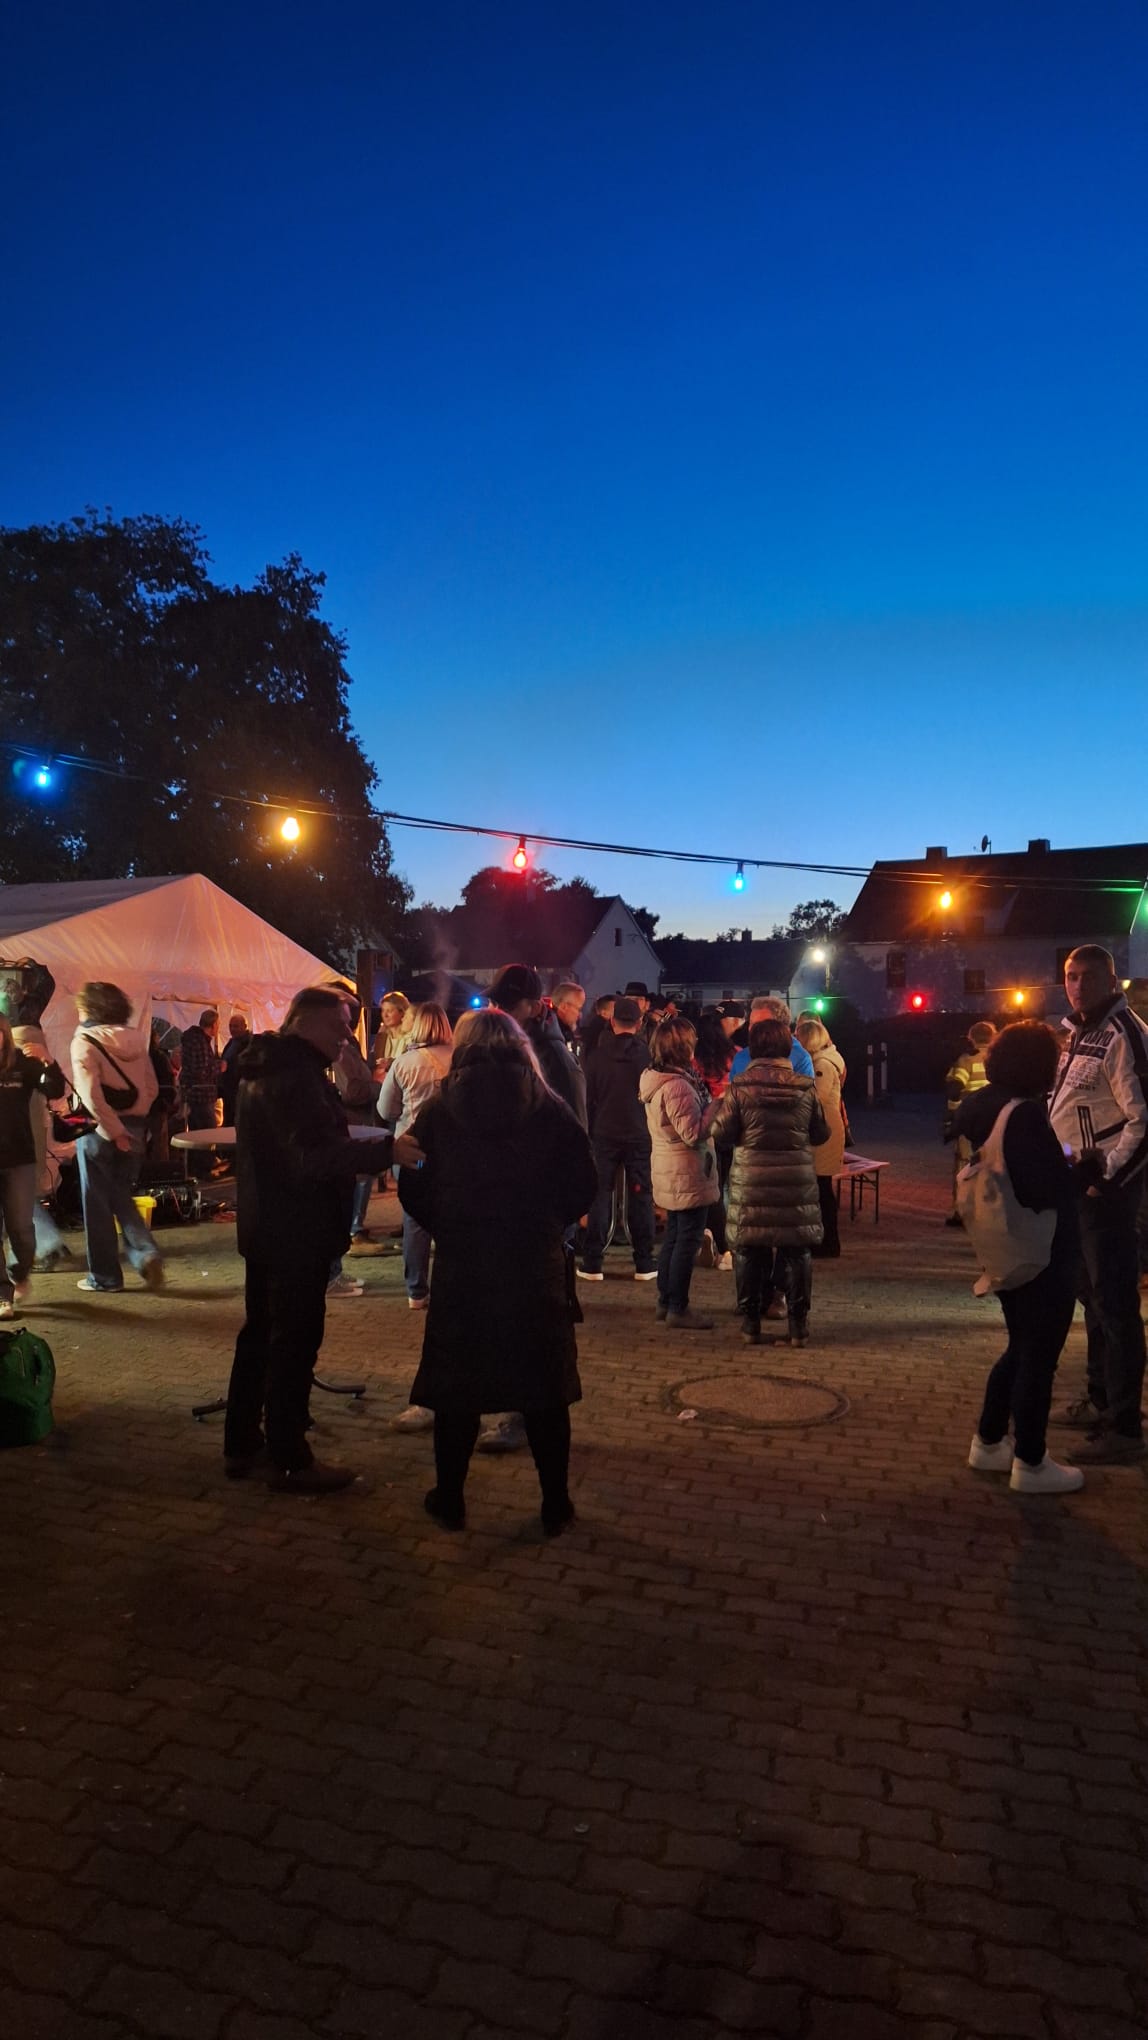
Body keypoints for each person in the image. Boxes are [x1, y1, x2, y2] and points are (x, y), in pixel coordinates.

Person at [397, 1008, 596, 1533]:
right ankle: (555, 1504)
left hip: (464, 1266)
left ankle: (450, 1498)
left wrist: (448, 1225)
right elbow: (583, 1180)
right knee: (544, 1391)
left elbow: (412, 1180)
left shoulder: (439, 1110)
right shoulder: (549, 1107)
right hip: (534, 1265)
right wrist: (547, 1224)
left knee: (457, 1389)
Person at [223, 987, 413, 1492]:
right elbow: (314, 1157)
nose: (347, 1036)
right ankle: (289, 1457)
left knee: (260, 1336)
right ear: (307, 1023)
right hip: (297, 1230)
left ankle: (242, 1442)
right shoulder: (296, 1077)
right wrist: (388, 1152)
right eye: (340, 1024)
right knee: (293, 1343)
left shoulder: (268, 1068)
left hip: (267, 1227)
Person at [958, 1022, 1089, 1495]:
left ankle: (990, 1440)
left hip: (1005, 1248)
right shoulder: (1025, 1114)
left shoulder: (982, 1105)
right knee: (1039, 1356)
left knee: (1020, 1346)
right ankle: (1031, 1462)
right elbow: (1042, 1190)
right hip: (1043, 1250)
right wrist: (1083, 1171)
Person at [1047, 945, 1148, 1463]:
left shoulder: (1125, 1034)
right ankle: (1100, 1398)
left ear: (1112, 980)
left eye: (1088, 976)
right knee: (1093, 1299)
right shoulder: (1079, 1033)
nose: (1078, 985)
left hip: (1104, 1196)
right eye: (1071, 976)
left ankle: (1124, 1426)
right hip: (1077, 1189)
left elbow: (1143, 1121)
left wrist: (1107, 1180)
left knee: (1116, 1307)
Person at [711, 1017, 828, 1346]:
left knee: (749, 1250)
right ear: (787, 1047)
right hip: (796, 1183)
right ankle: (798, 1326)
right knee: (797, 1252)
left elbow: (721, 1133)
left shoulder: (740, 1087)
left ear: (755, 1048)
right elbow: (820, 1133)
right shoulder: (805, 1087)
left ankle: (751, 1323)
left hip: (752, 1182)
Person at [70, 982, 163, 1293]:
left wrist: (113, 1129)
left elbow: (91, 1095)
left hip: (98, 1131)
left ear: (91, 1007)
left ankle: (105, 1277)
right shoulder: (136, 1038)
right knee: (121, 1195)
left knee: (96, 1203)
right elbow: (152, 1087)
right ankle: (146, 1252)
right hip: (135, 1127)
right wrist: (133, 1120)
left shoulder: (84, 1041)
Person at [640, 1017, 722, 1329]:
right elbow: (692, 1133)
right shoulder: (677, 1086)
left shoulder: (657, 1078)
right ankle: (678, 1306)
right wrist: (717, 1106)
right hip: (686, 1171)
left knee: (675, 1237)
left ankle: (666, 1301)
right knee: (687, 1240)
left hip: (670, 1168)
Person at [378, 1003, 454, 1324]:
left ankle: (416, 1291)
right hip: (452, 1152)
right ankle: (451, 1286)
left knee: (415, 1219)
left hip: (413, 1151)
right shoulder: (460, 1059)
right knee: (452, 1218)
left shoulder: (404, 1062)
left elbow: (386, 1110)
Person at [580, 995, 657, 1283]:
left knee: (600, 1194)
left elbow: (588, 1098)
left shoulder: (596, 1057)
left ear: (612, 1022)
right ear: (639, 1023)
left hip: (604, 1133)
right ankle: (644, 1262)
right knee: (641, 1196)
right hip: (639, 1133)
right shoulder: (648, 1057)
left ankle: (593, 1262)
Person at [0, 1015, 66, 1319]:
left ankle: (20, 1272)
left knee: (22, 1230)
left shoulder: (22, 1065)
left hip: (19, 1159)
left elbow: (55, 1089)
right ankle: (3, 1296)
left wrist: (48, 1061)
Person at [489, 964, 587, 1128]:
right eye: (493, 1002)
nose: (497, 1012)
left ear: (534, 1009)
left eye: (508, 1006)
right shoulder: (498, 1048)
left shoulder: (558, 1063)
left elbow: (575, 1133)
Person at [795, 1015, 847, 1258]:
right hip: (824, 1128)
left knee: (821, 1187)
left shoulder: (822, 1065)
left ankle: (827, 1242)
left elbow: (817, 1096)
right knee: (820, 1187)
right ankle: (825, 1240)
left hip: (824, 1132)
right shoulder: (824, 1061)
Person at [692, 1008, 737, 1269]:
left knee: (710, 1185)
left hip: (706, 1126)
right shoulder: (735, 1055)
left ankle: (710, 1234)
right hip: (731, 1125)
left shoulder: (695, 1060)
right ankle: (726, 1242)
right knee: (727, 1185)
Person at [942, 1021, 997, 1225]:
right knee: (991, 1167)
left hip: (970, 1124)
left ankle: (962, 1212)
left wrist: (952, 1117)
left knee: (965, 1166)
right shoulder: (998, 1060)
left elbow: (955, 1089)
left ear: (971, 1038)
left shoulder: (967, 1060)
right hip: (995, 1124)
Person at [179, 1009, 222, 1177]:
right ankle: (205, 1168)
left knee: (196, 1133)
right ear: (213, 1025)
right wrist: (219, 1067)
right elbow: (201, 1071)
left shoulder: (192, 1039)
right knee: (207, 1133)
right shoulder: (201, 1042)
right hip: (202, 1095)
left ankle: (194, 1168)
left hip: (194, 1094)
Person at [729, 997, 815, 1080]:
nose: (752, 1029)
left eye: (760, 1024)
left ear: (780, 1027)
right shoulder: (741, 1057)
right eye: (751, 1023)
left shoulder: (801, 1059)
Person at [219, 1014, 251, 1127]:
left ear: (245, 1026)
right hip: (228, 1092)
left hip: (241, 1092)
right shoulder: (231, 1043)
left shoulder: (250, 1044)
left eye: (236, 1026)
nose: (232, 1029)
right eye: (230, 1026)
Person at [374, 992, 413, 1075]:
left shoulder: (410, 1037)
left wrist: (391, 1063)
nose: (385, 1015)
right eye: (383, 1010)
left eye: (389, 1011)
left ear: (402, 1012)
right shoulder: (382, 1035)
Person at [552, 981, 587, 1056]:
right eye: (578, 1009)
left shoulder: (563, 1031)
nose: (580, 1015)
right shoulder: (552, 1037)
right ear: (563, 1007)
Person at [579, 994, 616, 1065]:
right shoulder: (603, 1030)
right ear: (603, 1013)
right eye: (614, 1010)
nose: (618, 1012)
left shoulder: (592, 1026)